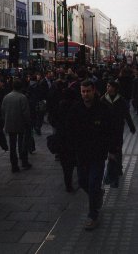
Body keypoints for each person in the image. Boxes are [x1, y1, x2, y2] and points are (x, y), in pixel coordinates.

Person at [66, 80, 117, 231]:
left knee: (93, 183)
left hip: (98, 154)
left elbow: (110, 131)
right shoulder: (76, 108)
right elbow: (70, 130)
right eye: (83, 91)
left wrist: (112, 150)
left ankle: (92, 215)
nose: (85, 94)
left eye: (88, 91)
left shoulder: (103, 109)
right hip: (81, 154)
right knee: (82, 182)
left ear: (94, 91)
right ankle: (97, 195)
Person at [101, 80, 136, 184]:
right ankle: (108, 168)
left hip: (117, 129)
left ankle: (118, 167)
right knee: (107, 148)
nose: (108, 88)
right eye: (107, 86)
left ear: (115, 88)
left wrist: (131, 126)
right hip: (105, 129)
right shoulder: (103, 99)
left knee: (118, 148)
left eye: (110, 86)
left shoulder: (121, 100)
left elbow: (127, 114)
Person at [1, 79, 32, 173]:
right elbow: (26, 113)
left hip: (10, 124)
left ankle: (14, 165)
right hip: (21, 124)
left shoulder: (6, 97)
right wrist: (28, 123)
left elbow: (3, 111)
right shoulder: (23, 97)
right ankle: (24, 162)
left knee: (12, 145)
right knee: (22, 143)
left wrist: (5, 120)